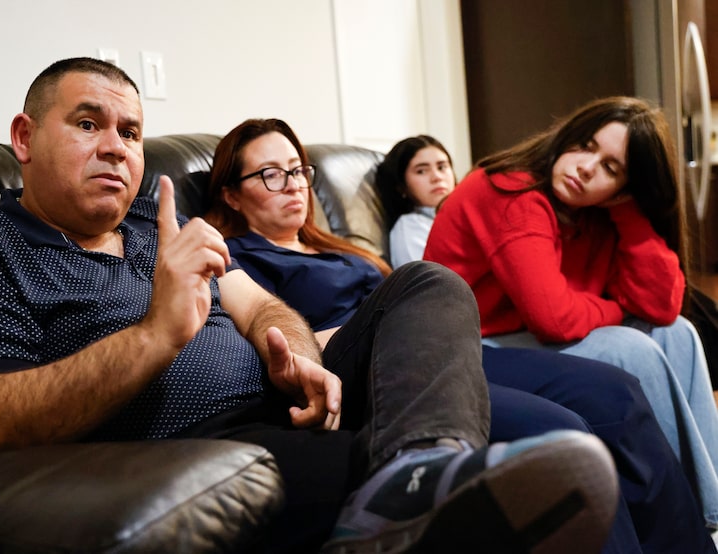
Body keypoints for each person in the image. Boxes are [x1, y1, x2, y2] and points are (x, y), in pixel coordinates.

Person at [0, 58, 620, 554]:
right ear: (23, 139)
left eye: (130, 132)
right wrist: (157, 334)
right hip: (203, 445)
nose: (116, 148)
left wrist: (292, 350)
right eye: (87, 124)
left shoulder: (161, 227)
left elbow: (259, 307)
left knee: (428, 285)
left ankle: (421, 467)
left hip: (291, 404)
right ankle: (413, 493)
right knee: (519, 490)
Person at [204, 116, 718, 553]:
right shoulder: (241, 260)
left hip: (437, 342)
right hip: (370, 366)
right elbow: (267, 337)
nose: (294, 184)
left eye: (298, 170)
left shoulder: (347, 250)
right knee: (565, 426)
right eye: (271, 174)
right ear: (231, 193)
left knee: (615, 394)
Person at [422, 96, 718, 529]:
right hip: (467, 345)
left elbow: (662, 305)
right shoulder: (510, 190)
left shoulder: (596, 214)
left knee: (679, 334)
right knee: (633, 348)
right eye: (585, 145)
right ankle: (684, 517)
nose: (585, 166)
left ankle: (709, 509)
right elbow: (552, 317)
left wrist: (629, 210)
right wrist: (616, 308)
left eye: (611, 169)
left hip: (522, 338)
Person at [374, 134, 456, 269]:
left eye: (442, 167)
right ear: (401, 186)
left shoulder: (463, 216)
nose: (437, 177)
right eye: (421, 171)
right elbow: (429, 285)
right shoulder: (409, 227)